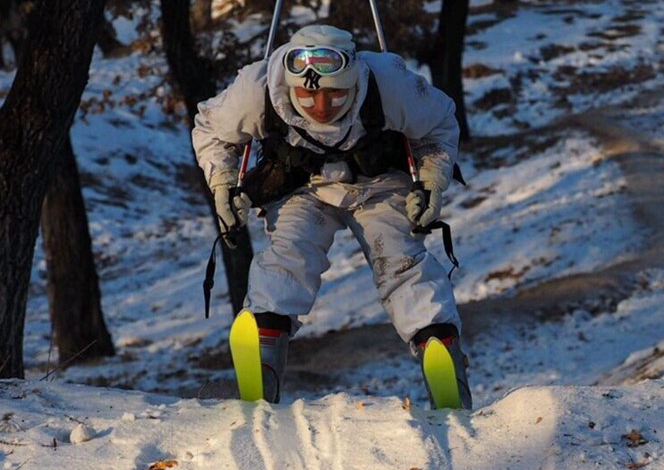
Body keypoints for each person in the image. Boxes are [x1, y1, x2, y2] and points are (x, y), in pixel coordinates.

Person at [192, 24, 472, 407]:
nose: (321, 107)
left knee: (399, 259)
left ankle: (438, 347)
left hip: (379, 185)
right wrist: (223, 183)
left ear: (355, 81)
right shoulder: (255, 90)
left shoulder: (389, 83)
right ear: (290, 84)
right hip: (302, 187)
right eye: (308, 95)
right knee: (290, 254)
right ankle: (263, 353)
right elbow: (212, 128)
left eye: (335, 94)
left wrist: (431, 180)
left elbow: (439, 124)